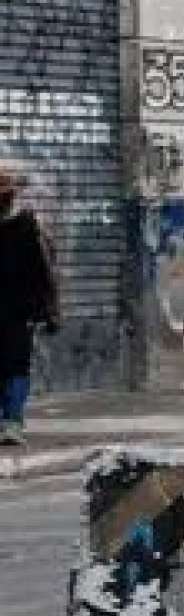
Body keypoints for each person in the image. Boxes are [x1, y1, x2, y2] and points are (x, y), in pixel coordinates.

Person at [0, 168, 58, 445]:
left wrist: (43, 309)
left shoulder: (25, 226)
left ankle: (11, 421)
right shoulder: (26, 225)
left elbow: (41, 271)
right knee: (15, 367)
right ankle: (10, 422)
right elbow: (43, 272)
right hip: (20, 310)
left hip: (19, 311)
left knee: (16, 367)